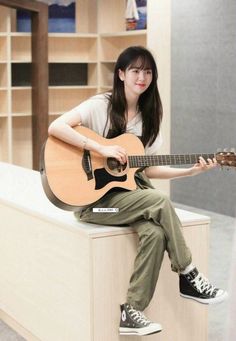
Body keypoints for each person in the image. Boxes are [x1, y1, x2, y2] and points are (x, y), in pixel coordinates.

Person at [48, 46, 228, 336]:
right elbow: (56, 127)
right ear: (121, 74)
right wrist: (100, 147)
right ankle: (188, 273)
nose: (141, 76)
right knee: (157, 200)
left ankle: (132, 311)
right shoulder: (99, 106)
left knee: (155, 232)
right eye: (135, 70)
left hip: (127, 200)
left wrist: (190, 171)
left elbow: (149, 170)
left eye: (147, 71)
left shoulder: (149, 116)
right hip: (93, 207)